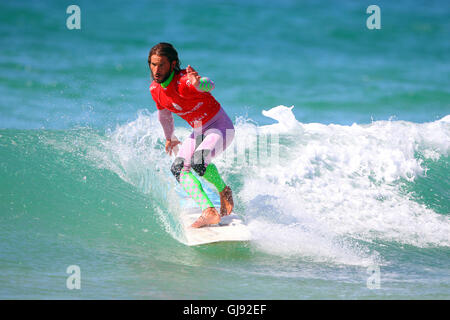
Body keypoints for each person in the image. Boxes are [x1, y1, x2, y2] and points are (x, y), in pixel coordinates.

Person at [148, 42, 234, 228]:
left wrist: (199, 83)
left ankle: (224, 190)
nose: (156, 70)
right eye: (153, 64)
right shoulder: (155, 90)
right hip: (199, 131)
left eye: (161, 64)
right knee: (178, 168)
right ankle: (209, 211)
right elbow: (164, 114)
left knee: (198, 161)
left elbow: (210, 84)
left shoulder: (184, 82)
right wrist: (169, 137)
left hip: (220, 127)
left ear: (173, 64)